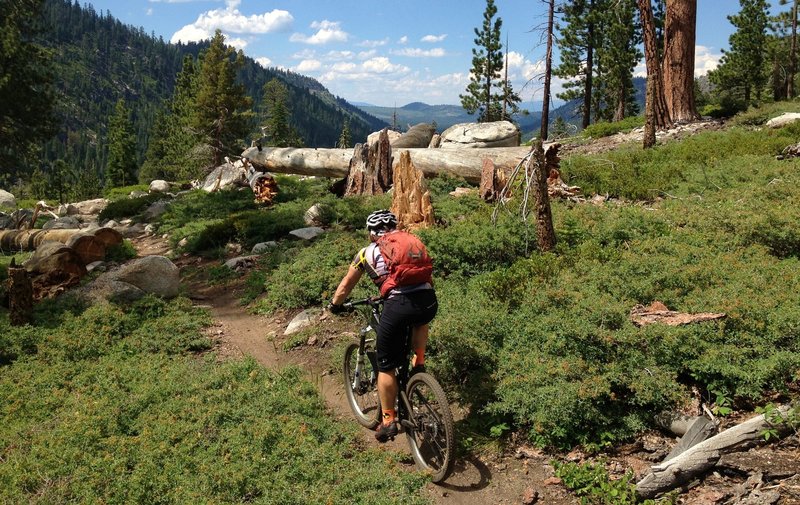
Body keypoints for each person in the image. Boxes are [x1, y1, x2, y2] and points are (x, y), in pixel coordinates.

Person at [328, 209, 438, 442]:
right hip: (429, 301)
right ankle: (418, 361)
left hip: (398, 305)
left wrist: (334, 305)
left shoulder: (365, 253)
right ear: (394, 226)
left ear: (371, 232)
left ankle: (388, 420)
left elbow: (345, 286)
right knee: (420, 319)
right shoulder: (412, 242)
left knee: (385, 365)